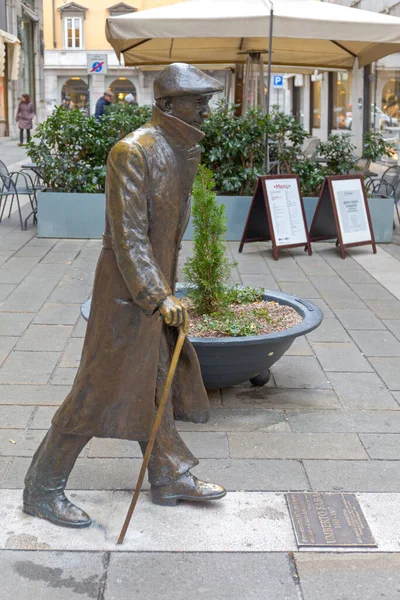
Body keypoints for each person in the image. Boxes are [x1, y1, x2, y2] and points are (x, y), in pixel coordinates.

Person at [23, 63, 226, 529]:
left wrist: (164, 293)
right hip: (126, 296)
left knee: (155, 384)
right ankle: (42, 487)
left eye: (207, 102)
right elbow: (128, 235)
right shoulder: (131, 152)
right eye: (199, 103)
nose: (206, 112)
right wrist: (157, 295)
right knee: (96, 394)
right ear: (169, 105)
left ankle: (169, 474)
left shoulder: (179, 151)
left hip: (153, 295)